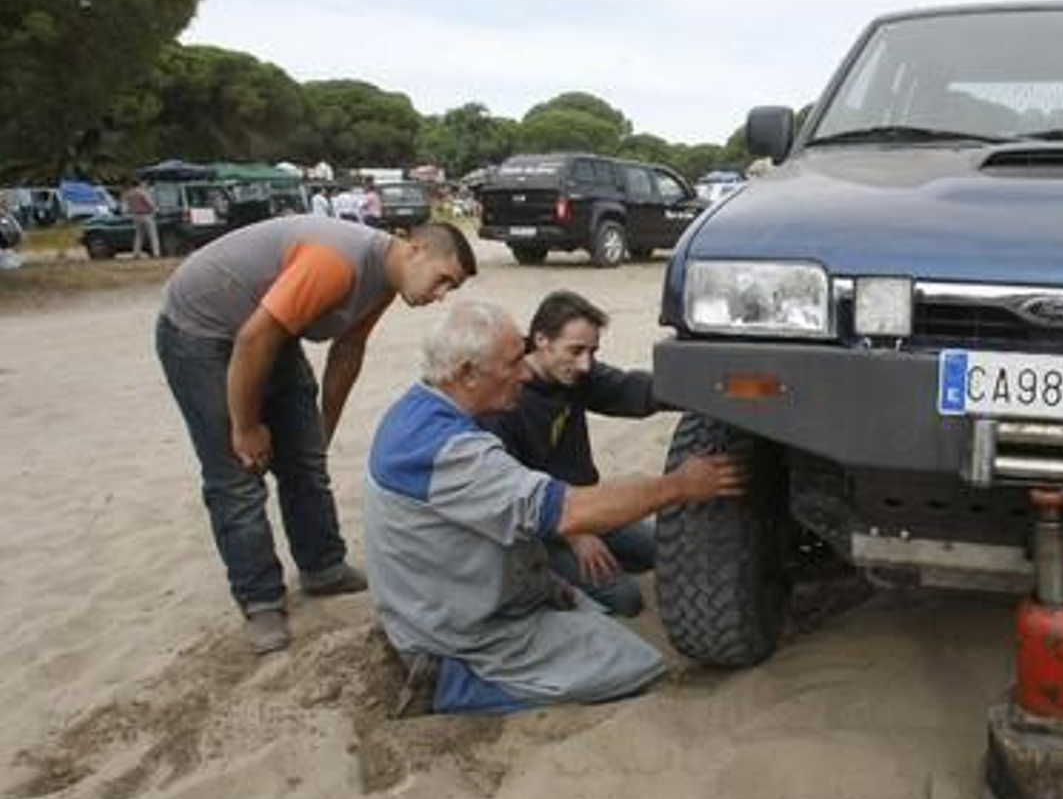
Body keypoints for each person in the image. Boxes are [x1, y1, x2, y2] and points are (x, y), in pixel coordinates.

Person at [365, 300, 743, 715]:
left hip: (452, 590)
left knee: (599, 613)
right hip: (455, 627)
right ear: (467, 373)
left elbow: (630, 392)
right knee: (636, 665)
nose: (524, 372)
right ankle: (448, 684)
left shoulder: (422, 408)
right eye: (512, 363)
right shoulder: (450, 452)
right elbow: (566, 512)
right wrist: (680, 485)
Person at [155, 215, 477, 654]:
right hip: (202, 332)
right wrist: (246, 427)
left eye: (451, 289)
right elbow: (252, 340)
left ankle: (323, 568)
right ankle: (261, 599)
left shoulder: (386, 280)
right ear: (414, 249)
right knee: (237, 474)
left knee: (305, 461)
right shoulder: (335, 263)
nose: (441, 296)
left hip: (269, 328)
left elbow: (348, 349)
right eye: (443, 280)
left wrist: (320, 431)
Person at [481, 290, 658, 617]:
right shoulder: (504, 398)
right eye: (576, 350)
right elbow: (512, 491)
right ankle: (545, 577)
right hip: (539, 526)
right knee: (626, 599)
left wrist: (693, 387)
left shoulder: (575, 373)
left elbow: (630, 389)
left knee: (662, 548)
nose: (586, 363)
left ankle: (596, 562)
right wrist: (576, 535)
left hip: (584, 507)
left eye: (592, 352)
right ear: (541, 340)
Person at [121, 178, 160, 258]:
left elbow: (125, 206)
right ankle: (156, 253)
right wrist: (155, 209)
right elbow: (149, 203)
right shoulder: (142, 192)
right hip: (146, 215)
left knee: (138, 235)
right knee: (152, 235)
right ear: (138, 184)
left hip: (135, 215)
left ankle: (136, 252)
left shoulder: (128, 193)